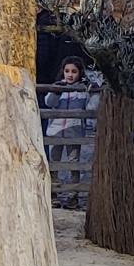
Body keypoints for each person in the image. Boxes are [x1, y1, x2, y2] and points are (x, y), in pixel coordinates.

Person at [44, 57, 96, 204]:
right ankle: (53, 193)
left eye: (74, 71)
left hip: (74, 132)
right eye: (67, 71)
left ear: (80, 73)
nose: (70, 75)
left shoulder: (82, 90)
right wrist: (56, 91)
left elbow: (92, 107)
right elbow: (49, 103)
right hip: (55, 132)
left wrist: (94, 92)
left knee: (74, 164)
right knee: (54, 164)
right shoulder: (58, 86)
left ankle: (73, 195)